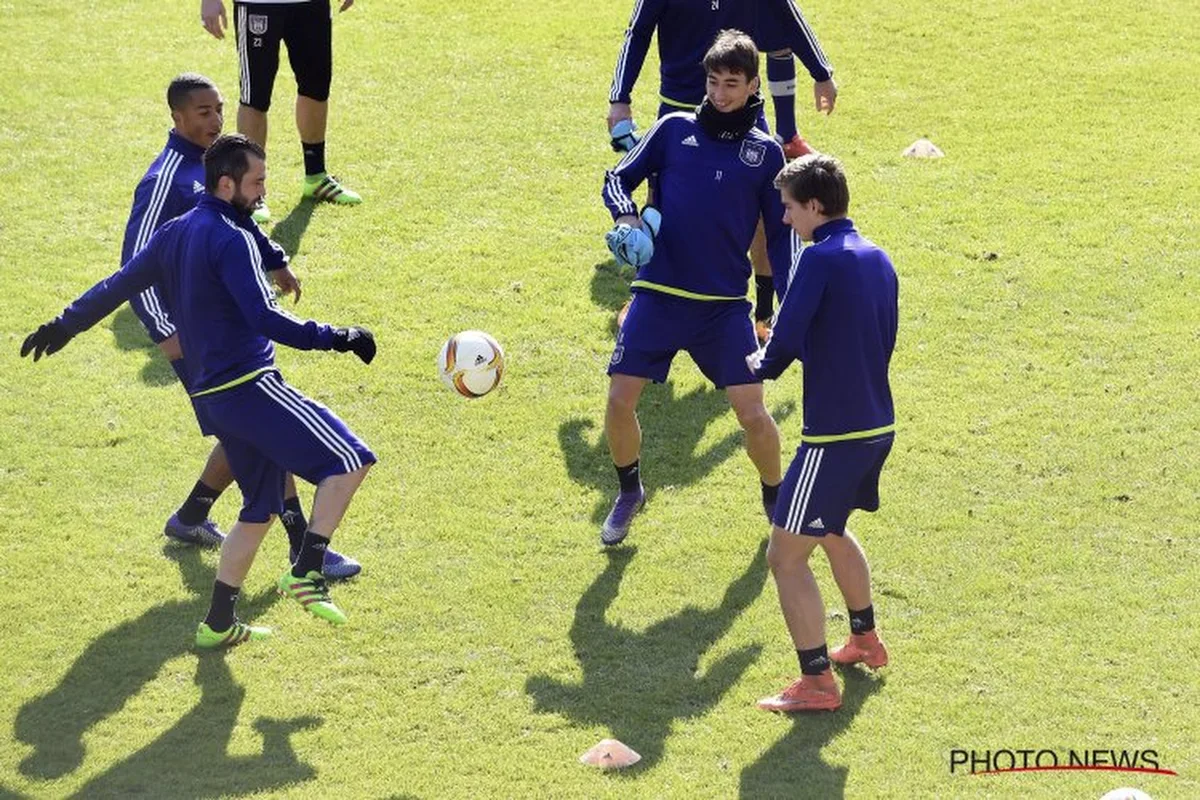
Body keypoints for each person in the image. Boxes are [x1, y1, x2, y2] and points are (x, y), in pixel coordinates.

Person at [21, 134, 378, 649]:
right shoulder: (228, 240)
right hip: (250, 387)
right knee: (351, 460)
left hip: (212, 395)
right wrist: (337, 337)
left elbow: (118, 284)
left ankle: (216, 624)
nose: (262, 193)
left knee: (258, 507)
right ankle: (307, 569)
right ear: (227, 182)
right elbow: (264, 317)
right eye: (255, 183)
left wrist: (63, 325)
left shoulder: (178, 231)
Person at [127, 73, 361, 580]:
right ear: (177, 117)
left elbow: (240, 218)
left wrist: (275, 258)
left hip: (219, 330)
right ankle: (304, 550)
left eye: (217, 109)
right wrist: (167, 335)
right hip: (193, 337)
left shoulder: (215, 166)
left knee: (246, 429)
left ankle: (192, 517)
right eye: (203, 112)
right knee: (257, 426)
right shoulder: (165, 179)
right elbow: (133, 268)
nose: (214, 120)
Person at [599, 30, 792, 546]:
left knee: (753, 413)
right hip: (659, 296)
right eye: (713, 82)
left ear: (754, 87)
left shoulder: (766, 154)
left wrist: (787, 305)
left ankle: (775, 497)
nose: (720, 93)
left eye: (732, 83)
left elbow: (778, 236)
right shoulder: (671, 130)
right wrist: (628, 218)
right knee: (619, 400)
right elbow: (616, 178)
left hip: (724, 309)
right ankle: (629, 491)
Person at [748, 153, 897, 712]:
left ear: (814, 206)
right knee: (830, 531)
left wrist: (758, 363)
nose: (784, 220)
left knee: (785, 557)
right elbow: (874, 335)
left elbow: (783, 339)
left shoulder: (818, 259)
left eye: (789, 209)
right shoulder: (878, 256)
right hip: (877, 424)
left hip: (832, 436)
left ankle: (815, 682)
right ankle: (864, 639)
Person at [606, 0, 837, 338]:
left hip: (743, 107)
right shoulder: (671, 126)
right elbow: (638, 30)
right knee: (664, 206)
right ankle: (648, 296)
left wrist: (821, 72)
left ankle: (764, 312)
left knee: (763, 213)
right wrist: (619, 97)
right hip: (677, 108)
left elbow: (786, 13)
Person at [200, 0, 361, 221]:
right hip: (258, 4)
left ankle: (315, 176)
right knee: (255, 96)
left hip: (311, 5)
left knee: (316, 88)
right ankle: (249, 191)